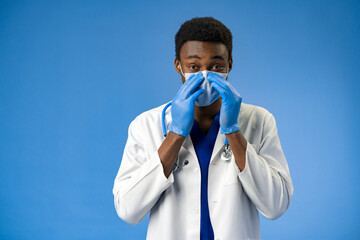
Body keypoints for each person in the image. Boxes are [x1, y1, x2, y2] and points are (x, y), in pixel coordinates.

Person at [112, 17, 293, 240]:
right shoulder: (146, 125)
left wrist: (233, 131)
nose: (205, 76)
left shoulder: (259, 121)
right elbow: (128, 210)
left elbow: (276, 206)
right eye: (194, 67)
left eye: (216, 66)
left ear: (230, 65)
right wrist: (176, 133)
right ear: (178, 65)